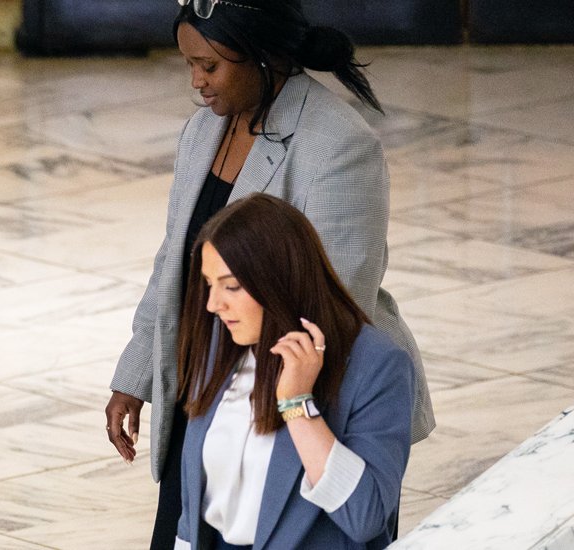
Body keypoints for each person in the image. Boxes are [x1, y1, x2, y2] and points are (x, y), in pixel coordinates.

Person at [101, 2, 432, 546]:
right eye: (189, 65)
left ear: (261, 56)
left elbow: (337, 294)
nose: (197, 83)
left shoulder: (338, 144)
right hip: (211, 383)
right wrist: (135, 375)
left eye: (209, 66)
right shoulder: (201, 132)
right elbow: (175, 261)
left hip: (302, 394)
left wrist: (277, 392)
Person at [172, 193, 412, 549]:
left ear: (278, 279)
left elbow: (365, 517)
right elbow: (194, 512)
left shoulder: (375, 366)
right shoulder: (222, 346)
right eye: (210, 284)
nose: (213, 304)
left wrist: (297, 405)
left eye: (231, 286)